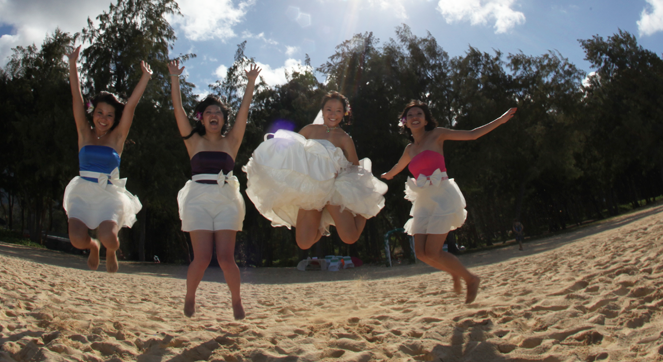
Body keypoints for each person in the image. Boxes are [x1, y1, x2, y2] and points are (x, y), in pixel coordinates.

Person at [381, 101, 516, 304]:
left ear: (426, 120)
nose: (415, 117)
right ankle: (454, 272)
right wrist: (384, 176)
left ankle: (471, 278)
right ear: (405, 123)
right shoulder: (410, 149)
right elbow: (395, 169)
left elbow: (472, 134)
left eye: (419, 113)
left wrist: (501, 119)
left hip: (442, 196)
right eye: (410, 115)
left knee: (433, 251)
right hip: (423, 201)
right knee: (421, 253)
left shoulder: (437, 135)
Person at [169, 59, 260, 320]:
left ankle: (236, 300)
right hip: (197, 199)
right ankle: (189, 297)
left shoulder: (231, 141)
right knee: (201, 257)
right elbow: (177, 110)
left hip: (226, 200)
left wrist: (251, 82)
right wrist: (174, 78)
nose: (213, 115)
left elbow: (244, 111)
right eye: (209, 112)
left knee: (225, 258)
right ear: (202, 117)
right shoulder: (193, 140)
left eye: (218, 113)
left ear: (223, 119)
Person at [244, 91, 387, 251]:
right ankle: (320, 221)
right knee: (304, 243)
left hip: (335, 189)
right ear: (322, 110)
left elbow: (355, 168)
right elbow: (291, 152)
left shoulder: (344, 138)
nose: (333, 114)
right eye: (329, 109)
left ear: (344, 113)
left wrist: (361, 198)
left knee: (350, 237)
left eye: (338, 110)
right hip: (311, 191)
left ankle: (364, 213)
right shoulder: (309, 130)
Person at [63, 46, 151, 273]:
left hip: (109, 194)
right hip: (82, 192)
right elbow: (76, 96)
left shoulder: (117, 138)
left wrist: (145, 77)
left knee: (110, 239)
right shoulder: (84, 133)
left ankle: (109, 250)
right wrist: (72, 65)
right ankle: (93, 247)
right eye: (99, 112)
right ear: (92, 113)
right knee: (76, 238)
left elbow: (130, 105)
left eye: (110, 115)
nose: (104, 118)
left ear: (115, 119)